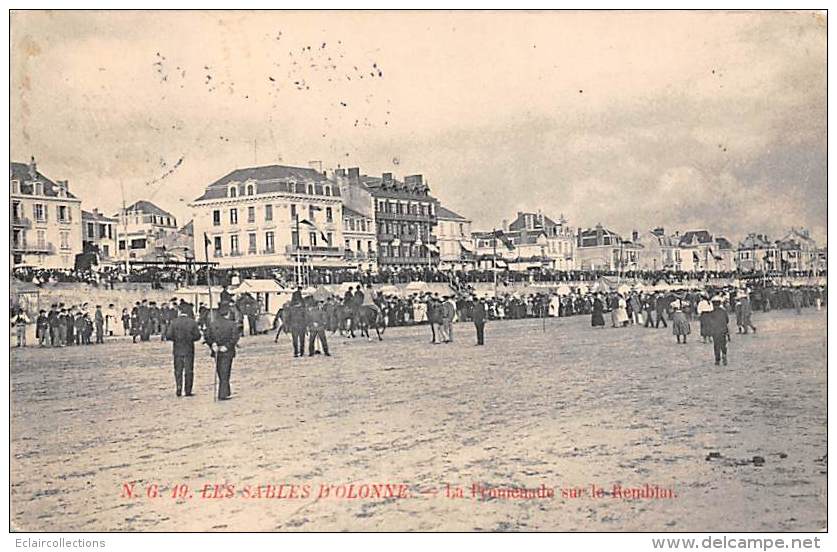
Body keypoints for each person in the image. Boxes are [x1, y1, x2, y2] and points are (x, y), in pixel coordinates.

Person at [205, 304, 240, 401]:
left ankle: (225, 391)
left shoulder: (213, 324)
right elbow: (235, 337)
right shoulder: (232, 324)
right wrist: (227, 346)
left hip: (216, 351)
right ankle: (223, 393)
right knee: (225, 372)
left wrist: (212, 344)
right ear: (228, 313)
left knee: (220, 371)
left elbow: (207, 336)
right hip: (227, 351)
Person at [166, 305, 202, 397]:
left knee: (178, 370)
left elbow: (169, 336)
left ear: (180, 311)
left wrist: (177, 339)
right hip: (189, 349)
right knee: (189, 370)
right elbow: (198, 336)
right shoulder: (192, 322)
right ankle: (188, 390)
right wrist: (190, 338)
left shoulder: (174, 322)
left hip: (177, 349)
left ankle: (178, 388)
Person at [705, 297, 730, 366]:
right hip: (723, 331)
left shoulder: (711, 313)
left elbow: (710, 323)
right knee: (723, 344)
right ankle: (724, 356)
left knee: (716, 346)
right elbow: (727, 320)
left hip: (715, 332)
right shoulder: (724, 311)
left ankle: (717, 359)